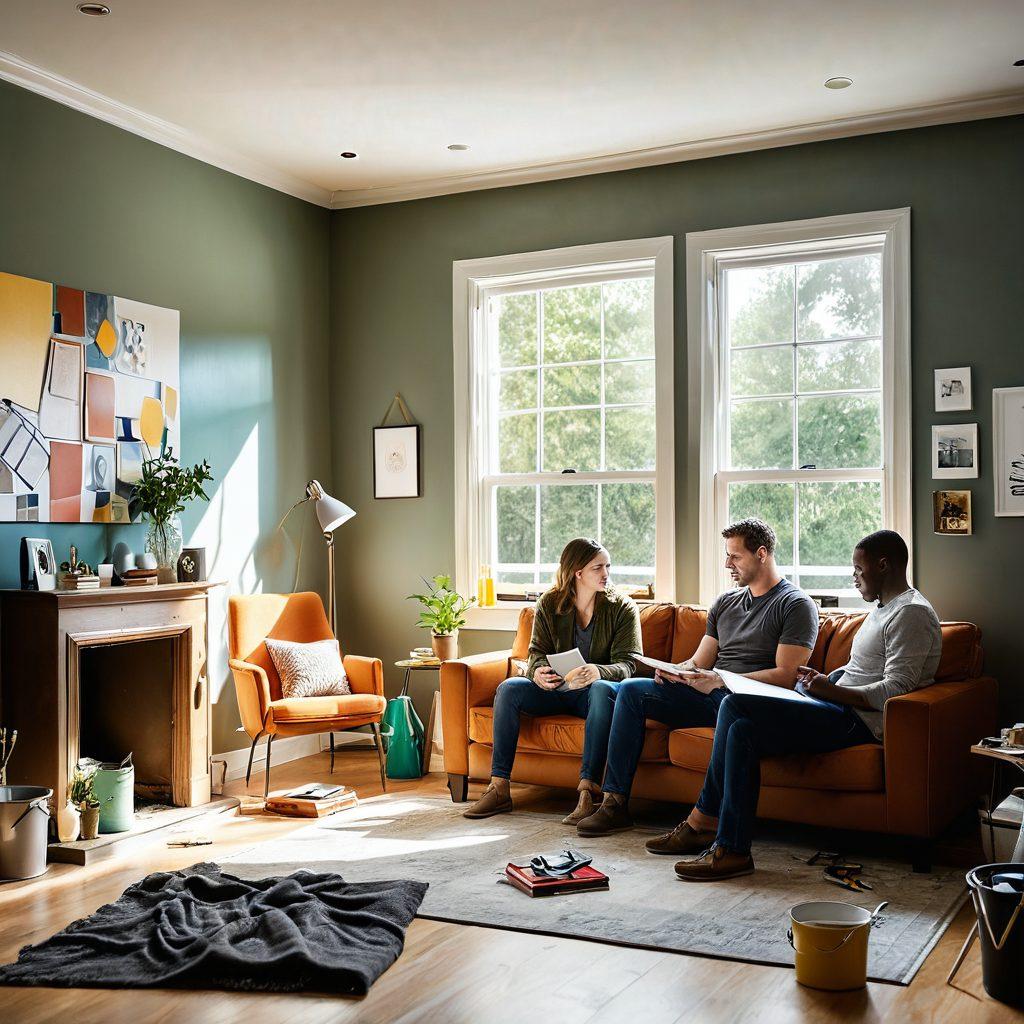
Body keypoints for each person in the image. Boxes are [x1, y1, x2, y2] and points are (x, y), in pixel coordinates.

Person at [671, 529, 942, 882]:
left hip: (857, 719)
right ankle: (732, 849)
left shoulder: (911, 613)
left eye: (859, 570)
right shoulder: (883, 609)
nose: (854, 578)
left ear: (884, 565)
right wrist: (825, 680)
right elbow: (865, 671)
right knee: (742, 729)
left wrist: (832, 692)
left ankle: (705, 818)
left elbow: (896, 688)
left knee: (736, 707)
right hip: (838, 704)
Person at [576, 518, 818, 837]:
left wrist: (719, 678)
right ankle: (614, 804)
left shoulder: (795, 604)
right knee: (632, 690)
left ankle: (705, 823)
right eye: (726, 555)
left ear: (762, 554)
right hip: (710, 695)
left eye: (735, 556)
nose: (727, 564)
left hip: (747, 702)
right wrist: (675, 671)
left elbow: (786, 676)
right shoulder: (725, 602)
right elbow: (698, 662)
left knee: (728, 701)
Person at [463, 538, 642, 823]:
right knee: (509, 688)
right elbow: (536, 652)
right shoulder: (550, 602)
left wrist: (599, 671)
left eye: (608, 566)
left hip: (593, 695)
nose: (606, 573)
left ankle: (587, 792)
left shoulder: (622, 608)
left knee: (599, 689)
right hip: (556, 690)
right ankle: (499, 788)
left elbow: (629, 664)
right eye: (598, 567)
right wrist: (537, 671)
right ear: (577, 572)